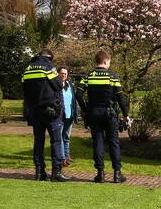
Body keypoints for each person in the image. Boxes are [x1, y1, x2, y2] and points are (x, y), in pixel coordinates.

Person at [78, 49, 130, 183]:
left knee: (98, 143)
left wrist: (84, 110)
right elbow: (120, 98)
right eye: (109, 63)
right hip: (110, 114)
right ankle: (117, 174)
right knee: (113, 142)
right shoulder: (113, 77)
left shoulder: (88, 76)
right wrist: (125, 115)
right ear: (106, 61)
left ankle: (100, 174)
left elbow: (78, 94)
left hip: (94, 113)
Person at [22, 48, 71, 182]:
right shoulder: (48, 67)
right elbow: (58, 85)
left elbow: (24, 89)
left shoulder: (28, 69)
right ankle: (56, 172)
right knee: (56, 141)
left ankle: (39, 172)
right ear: (49, 57)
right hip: (50, 111)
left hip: (34, 111)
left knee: (38, 142)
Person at [58, 67, 80, 166]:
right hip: (60, 115)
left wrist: (75, 113)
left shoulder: (69, 85)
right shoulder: (56, 85)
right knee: (60, 137)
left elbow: (73, 100)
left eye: (65, 74)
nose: (64, 75)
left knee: (66, 137)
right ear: (58, 74)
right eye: (62, 73)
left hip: (69, 115)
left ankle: (67, 156)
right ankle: (62, 159)